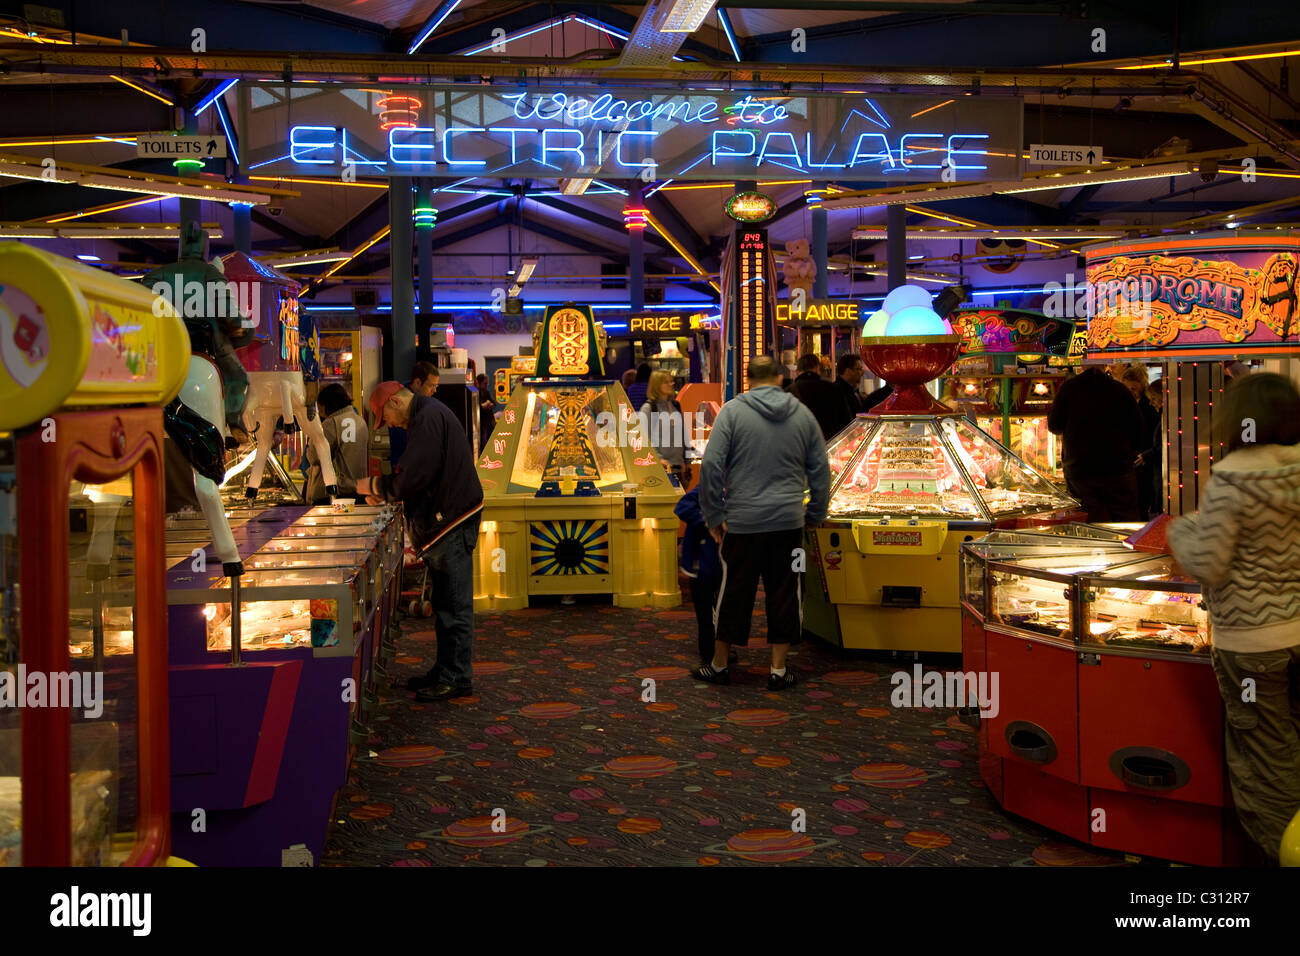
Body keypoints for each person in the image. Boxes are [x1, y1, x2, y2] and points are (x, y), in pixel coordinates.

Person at [1167, 372, 1300, 865]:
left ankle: (1280, 852)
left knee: (1266, 759)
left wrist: (1182, 530)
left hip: (1253, 644)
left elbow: (1208, 562)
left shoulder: (1232, 476)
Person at [694, 355, 831, 691]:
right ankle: (778, 669)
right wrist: (814, 515)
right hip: (788, 522)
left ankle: (719, 664)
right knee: (786, 591)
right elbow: (821, 471)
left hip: (742, 522)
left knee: (732, 593)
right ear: (781, 378)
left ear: (748, 379)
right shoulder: (802, 415)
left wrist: (714, 516)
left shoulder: (732, 412)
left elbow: (711, 467)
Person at [356, 382, 484, 702]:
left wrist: (371, 486)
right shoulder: (428, 414)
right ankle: (446, 670)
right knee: (446, 605)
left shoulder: (426, 419)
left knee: (453, 607)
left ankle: (455, 676)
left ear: (396, 402)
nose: (391, 426)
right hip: (449, 518)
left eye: (387, 418)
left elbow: (415, 476)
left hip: (449, 521)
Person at [1046, 365, 1143, 521]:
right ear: (1106, 366)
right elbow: (1138, 431)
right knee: (1125, 519)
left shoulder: (1069, 389)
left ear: (1081, 366)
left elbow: (1054, 426)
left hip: (1080, 469)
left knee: (1089, 520)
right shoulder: (1120, 389)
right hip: (1118, 468)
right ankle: (1127, 544)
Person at [674, 486, 729, 667]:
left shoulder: (739, 489)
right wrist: (709, 521)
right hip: (701, 565)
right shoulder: (706, 489)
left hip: (725, 564)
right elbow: (682, 508)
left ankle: (722, 649)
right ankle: (709, 654)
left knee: (723, 610)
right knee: (706, 613)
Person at [305, 384, 368, 504]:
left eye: (320, 407)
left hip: (334, 492)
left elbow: (314, 457)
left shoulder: (331, 423)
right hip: (357, 489)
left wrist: (312, 437)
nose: (320, 411)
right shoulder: (360, 421)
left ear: (327, 404)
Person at [1122, 364, 1160, 519]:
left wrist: (1146, 454)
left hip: (1146, 462)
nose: (1130, 393)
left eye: (1133, 389)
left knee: (1143, 502)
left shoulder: (1149, 406)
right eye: (1127, 389)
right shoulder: (1126, 404)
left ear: (1142, 386)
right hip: (1136, 461)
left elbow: (1153, 437)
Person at [788, 352, 852, 440]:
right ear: (818, 368)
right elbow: (846, 422)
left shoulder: (788, 392)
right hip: (829, 444)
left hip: (799, 445)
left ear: (797, 371)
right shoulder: (834, 389)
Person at [639, 369, 687, 485]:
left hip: (678, 468)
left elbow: (682, 435)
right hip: (660, 471)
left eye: (672, 381)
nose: (672, 384)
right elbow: (644, 439)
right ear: (656, 385)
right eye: (666, 382)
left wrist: (685, 460)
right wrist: (658, 459)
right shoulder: (649, 408)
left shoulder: (675, 405)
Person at [389, 362, 440, 466]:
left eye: (436, 386)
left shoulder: (421, 401)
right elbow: (412, 439)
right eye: (431, 385)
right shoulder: (402, 402)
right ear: (417, 382)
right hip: (405, 465)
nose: (434, 390)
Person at [835, 354, 866, 420]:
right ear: (848, 371)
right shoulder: (837, 392)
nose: (862, 373)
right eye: (859, 369)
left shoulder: (853, 390)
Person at [475, 373, 496, 450]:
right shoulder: (476, 392)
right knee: (483, 440)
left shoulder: (486, 392)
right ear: (479, 383)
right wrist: (486, 404)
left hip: (489, 420)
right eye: (485, 383)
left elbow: (494, 403)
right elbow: (478, 406)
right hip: (482, 421)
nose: (486, 385)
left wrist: (487, 405)